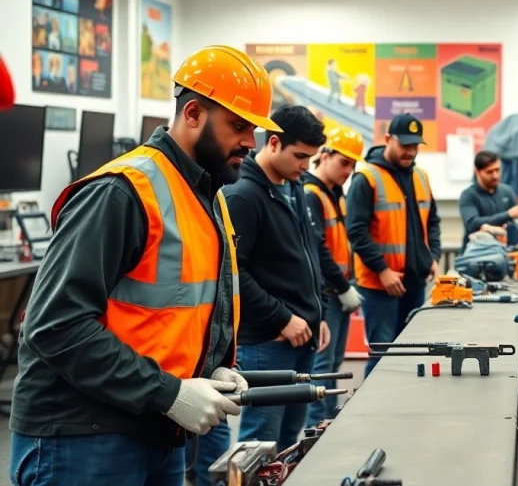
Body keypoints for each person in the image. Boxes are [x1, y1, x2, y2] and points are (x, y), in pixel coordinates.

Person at [8, 45, 279, 486]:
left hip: (154, 425)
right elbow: (54, 325)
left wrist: (208, 367)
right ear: (193, 113)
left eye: (254, 129)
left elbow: (168, 315)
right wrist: (170, 392)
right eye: (239, 126)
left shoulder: (206, 196)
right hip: (84, 436)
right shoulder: (122, 192)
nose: (251, 142)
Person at [223, 105, 330, 452]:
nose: (306, 165)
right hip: (267, 342)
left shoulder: (295, 188)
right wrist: (282, 318)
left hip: (303, 335)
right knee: (260, 444)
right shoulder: (243, 195)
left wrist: (319, 312)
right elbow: (233, 272)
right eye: (299, 156)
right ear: (272, 143)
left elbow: (310, 255)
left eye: (311, 158)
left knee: (288, 442)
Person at [346, 113, 441, 376]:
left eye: (415, 145)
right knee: (383, 357)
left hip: (414, 283)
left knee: (410, 356)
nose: (410, 151)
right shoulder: (367, 178)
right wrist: (383, 270)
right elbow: (356, 232)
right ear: (388, 139)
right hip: (380, 287)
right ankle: (371, 404)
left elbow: (433, 221)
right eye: (404, 145)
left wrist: (432, 256)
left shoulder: (421, 176)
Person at [303, 126, 365, 426]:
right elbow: (318, 248)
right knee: (323, 368)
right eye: (343, 162)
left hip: (337, 291)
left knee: (333, 365)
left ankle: (328, 425)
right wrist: (342, 287)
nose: (348, 171)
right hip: (327, 294)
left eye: (352, 165)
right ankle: (316, 431)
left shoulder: (334, 194)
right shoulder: (311, 194)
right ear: (324, 156)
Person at [458, 149, 518, 251]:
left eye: (497, 170)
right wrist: (508, 214)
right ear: (477, 172)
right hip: (477, 253)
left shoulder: (507, 191)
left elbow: (517, 221)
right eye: (489, 172)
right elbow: (472, 223)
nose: (495, 176)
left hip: (506, 251)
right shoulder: (468, 196)